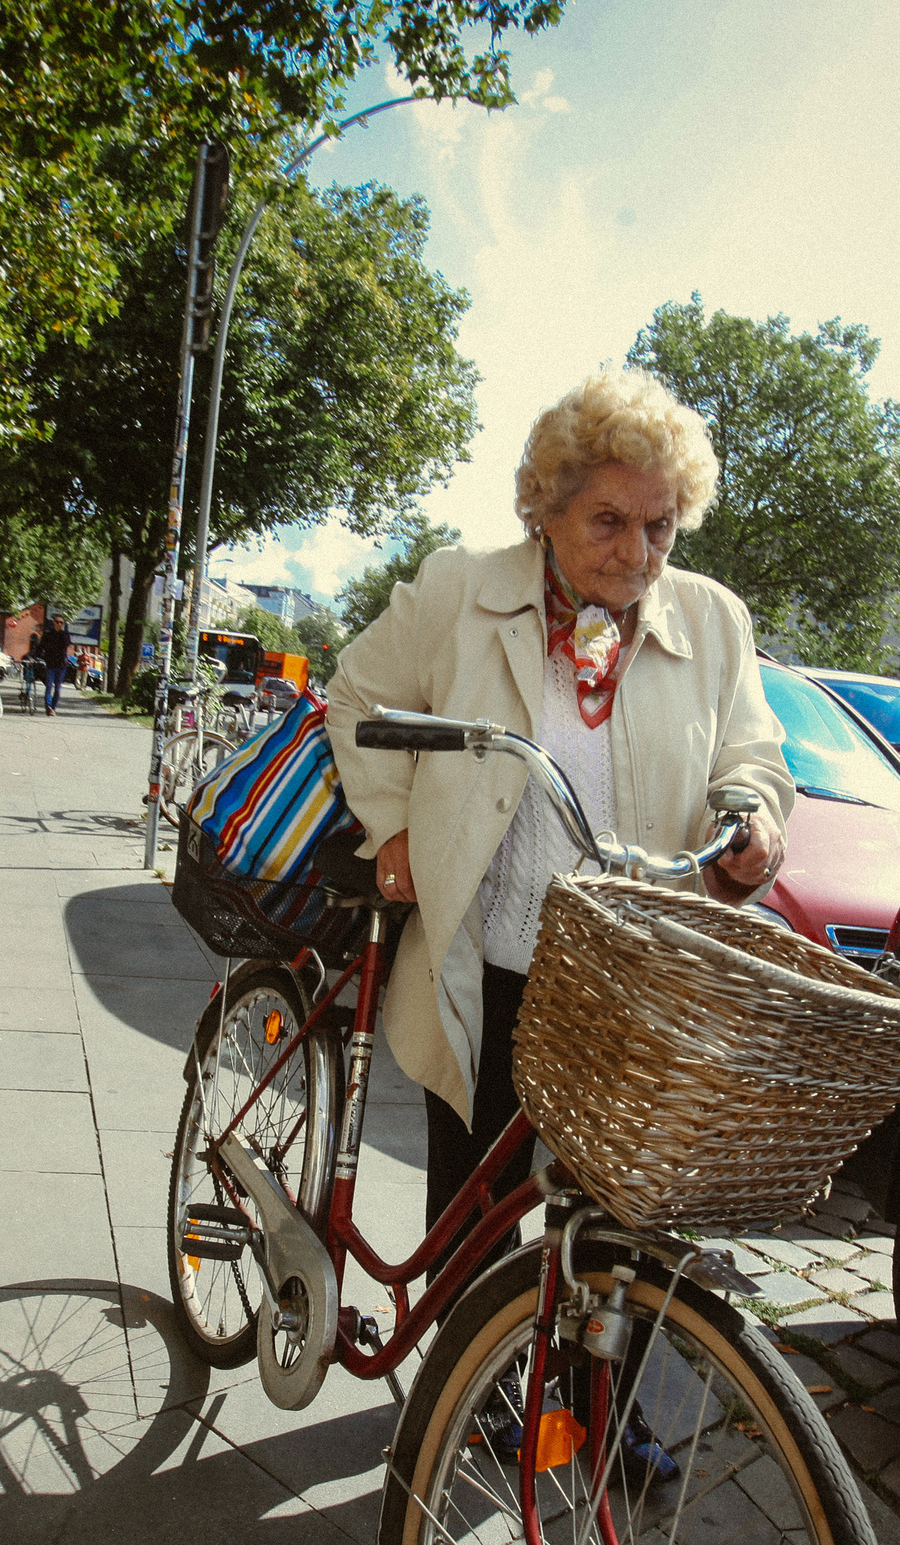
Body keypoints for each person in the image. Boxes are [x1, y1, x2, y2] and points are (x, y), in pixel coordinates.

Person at [325, 369, 793, 1466]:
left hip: (631, 983)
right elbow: (357, 698)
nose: (635, 554)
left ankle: (598, 1415)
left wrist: (753, 821)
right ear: (544, 504)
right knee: (478, 1215)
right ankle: (463, 1401)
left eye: (660, 526)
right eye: (609, 521)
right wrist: (389, 823)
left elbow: (752, 754)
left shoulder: (711, 620)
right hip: (485, 964)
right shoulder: (457, 592)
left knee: (620, 1222)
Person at [35, 616, 74, 714]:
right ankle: (48, 707)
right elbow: (41, 647)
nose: (59, 624)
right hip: (50, 665)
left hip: (61, 665)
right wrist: (35, 656)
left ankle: (53, 707)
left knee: (57, 688)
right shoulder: (48, 635)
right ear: (54, 622)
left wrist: (61, 631)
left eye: (61, 623)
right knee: (49, 687)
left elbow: (66, 644)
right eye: (57, 622)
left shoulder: (65, 635)